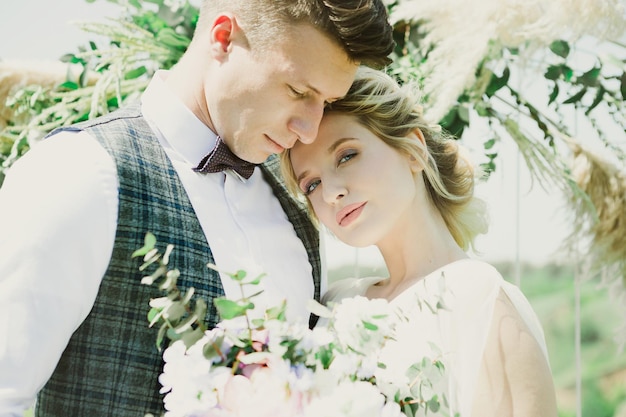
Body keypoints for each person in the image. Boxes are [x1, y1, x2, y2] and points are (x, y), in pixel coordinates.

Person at [0, 2, 394, 416]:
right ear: (223, 37)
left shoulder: (294, 205)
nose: (309, 129)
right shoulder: (81, 170)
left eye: (327, 102)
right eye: (298, 91)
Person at [281, 67, 559, 416]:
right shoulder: (334, 304)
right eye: (312, 185)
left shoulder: (480, 296)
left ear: (412, 149)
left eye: (347, 155)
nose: (332, 192)